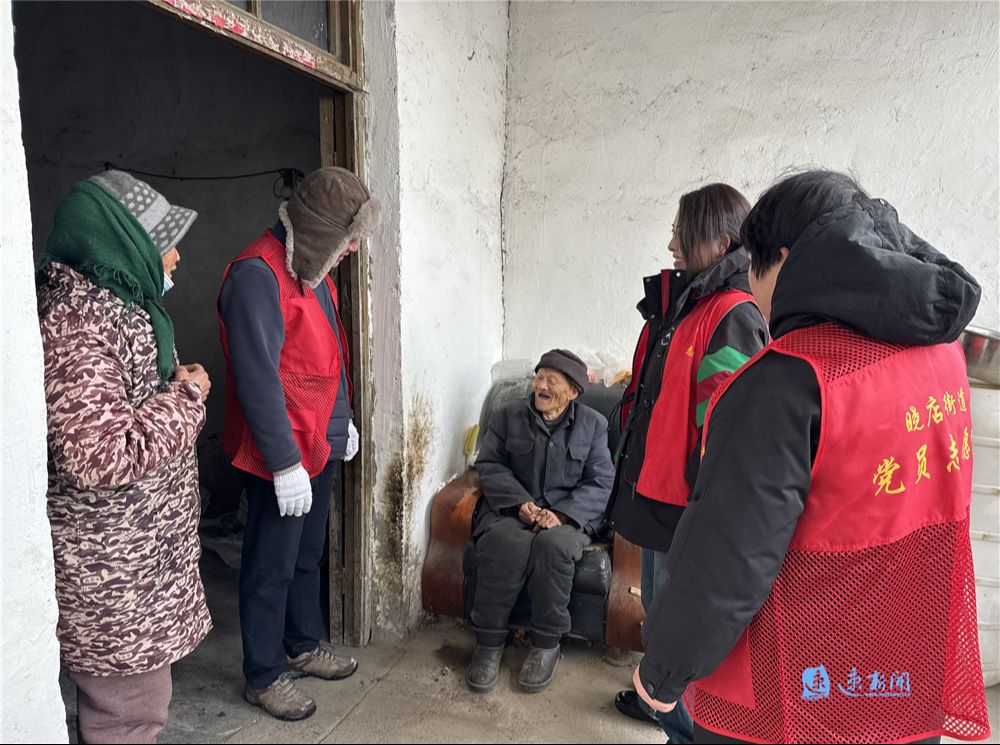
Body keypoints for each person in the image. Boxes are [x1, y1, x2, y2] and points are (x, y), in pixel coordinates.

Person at [634, 170, 991, 744]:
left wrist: (663, 669)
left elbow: (728, 559)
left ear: (782, 258)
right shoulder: (945, 356)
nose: (751, 290)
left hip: (798, 683)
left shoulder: (789, 379)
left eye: (754, 269)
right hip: (903, 667)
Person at [37, 170, 211, 743]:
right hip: (110, 571)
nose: (177, 257)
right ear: (123, 244)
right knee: (128, 718)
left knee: (136, 712)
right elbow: (98, 456)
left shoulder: (118, 305)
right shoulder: (80, 323)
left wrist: (170, 388)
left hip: (133, 560)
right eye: (165, 243)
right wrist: (187, 398)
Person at [607, 183, 768, 743]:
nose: (671, 244)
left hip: (687, 510)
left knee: (679, 627)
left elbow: (726, 431)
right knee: (660, 615)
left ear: (721, 242)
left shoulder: (731, 315)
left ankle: (685, 730)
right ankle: (665, 710)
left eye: (682, 232)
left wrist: (705, 514)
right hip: (662, 499)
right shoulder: (688, 305)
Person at [218, 166, 380, 721]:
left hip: (318, 440)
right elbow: (258, 377)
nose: (353, 250)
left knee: (307, 554)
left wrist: (342, 422)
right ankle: (264, 674)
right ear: (319, 231)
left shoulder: (314, 271)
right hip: (279, 451)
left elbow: (329, 357)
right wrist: (284, 462)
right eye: (348, 238)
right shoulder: (256, 275)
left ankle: (302, 644)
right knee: (271, 563)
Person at [468, 349, 615, 694]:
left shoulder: (594, 425)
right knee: (505, 542)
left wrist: (561, 515)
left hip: (568, 517)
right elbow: (490, 464)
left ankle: (546, 644)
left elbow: (600, 481)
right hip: (511, 509)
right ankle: (489, 643)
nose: (541, 386)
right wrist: (520, 503)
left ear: (573, 391)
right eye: (539, 377)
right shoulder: (507, 416)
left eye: (552, 381)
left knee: (554, 547)